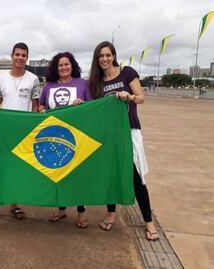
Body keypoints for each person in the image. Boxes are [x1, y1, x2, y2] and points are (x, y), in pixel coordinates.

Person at [88, 41, 159, 241]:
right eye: (100, 56)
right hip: (108, 135)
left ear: (113, 55)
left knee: (136, 177)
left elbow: (141, 97)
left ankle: (149, 222)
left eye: (108, 55)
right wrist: (80, 104)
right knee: (111, 176)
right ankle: (111, 213)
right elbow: (95, 109)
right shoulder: (96, 81)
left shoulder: (127, 73)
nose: (104, 59)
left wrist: (129, 97)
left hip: (129, 131)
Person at [0, 42, 40, 220]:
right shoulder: (0, 79)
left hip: (23, 131)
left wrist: (33, 129)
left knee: (17, 168)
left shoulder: (33, 79)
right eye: (17, 54)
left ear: (27, 58)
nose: (20, 58)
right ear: (12, 56)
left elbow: (35, 106)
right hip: (3, 130)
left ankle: (15, 204)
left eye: (23, 55)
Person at [39, 52, 91, 228]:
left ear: (72, 65)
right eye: (60, 65)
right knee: (59, 173)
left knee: (77, 175)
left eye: (66, 64)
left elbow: (92, 106)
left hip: (77, 136)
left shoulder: (82, 84)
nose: (63, 67)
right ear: (56, 68)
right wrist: (42, 110)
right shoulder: (48, 86)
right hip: (55, 136)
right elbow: (41, 105)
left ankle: (81, 212)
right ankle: (61, 210)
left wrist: (82, 104)